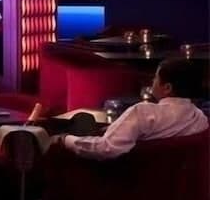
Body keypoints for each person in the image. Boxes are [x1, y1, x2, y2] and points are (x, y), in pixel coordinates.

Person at [54, 57, 208, 159]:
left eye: (155, 78)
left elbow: (106, 149)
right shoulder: (200, 119)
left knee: (77, 125)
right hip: (168, 185)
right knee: (84, 120)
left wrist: (65, 140)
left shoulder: (143, 113)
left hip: (121, 179)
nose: (152, 81)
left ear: (167, 88)